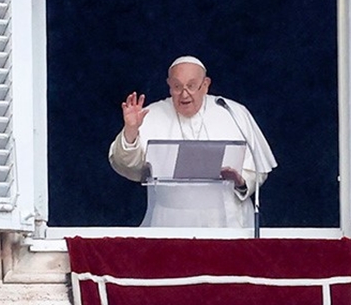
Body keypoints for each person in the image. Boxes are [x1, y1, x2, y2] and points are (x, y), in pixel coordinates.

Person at [108, 56, 277, 228]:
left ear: (205, 85)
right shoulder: (150, 115)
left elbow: (258, 168)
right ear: (169, 86)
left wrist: (241, 182)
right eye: (177, 86)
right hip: (170, 221)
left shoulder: (232, 112)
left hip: (227, 220)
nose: (184, 93)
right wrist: (131, 130)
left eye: (191, 85)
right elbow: (125, 165)